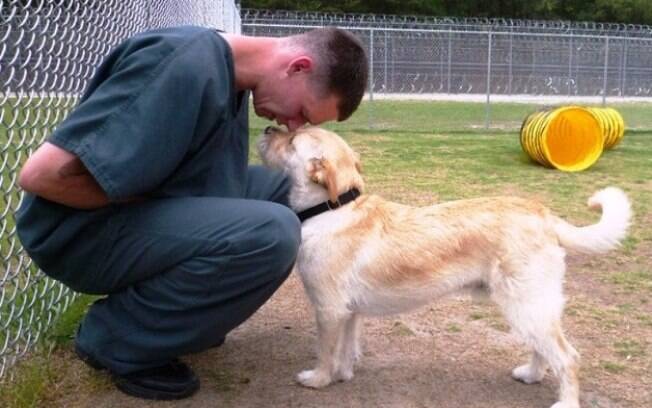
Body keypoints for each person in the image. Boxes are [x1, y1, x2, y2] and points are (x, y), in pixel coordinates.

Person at [15, 25, 368, 400]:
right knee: (272, 232)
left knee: (291, 191)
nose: (293, 125)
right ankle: (117, 338)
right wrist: (155, 199)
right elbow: (41, 176)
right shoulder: (181, 64)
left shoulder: (233, 75)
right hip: (79, 234)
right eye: (301, 112)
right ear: (297, 67)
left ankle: (190, 312)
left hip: (133, 215)